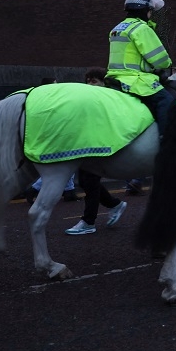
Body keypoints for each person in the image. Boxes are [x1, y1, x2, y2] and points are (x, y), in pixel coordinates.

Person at [65, 68, 129, 235]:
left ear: (103, 82)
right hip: (87, 145)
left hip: (101, 145)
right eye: (87, 81)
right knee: (85, 181)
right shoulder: (90, 99)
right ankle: (115, 204)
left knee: (90, 182)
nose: (89, 84)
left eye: (94, 81)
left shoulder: (108, 98)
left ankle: (88, 221)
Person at [106, 0, 174, 136]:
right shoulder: (141, 29)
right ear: (146, 11)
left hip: (113, 77)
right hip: (135, 80)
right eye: (150, 11)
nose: (151, 15)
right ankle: (167, 141)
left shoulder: (117, 29)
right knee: (166, 101)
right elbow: (161, 60)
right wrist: (167, 64)